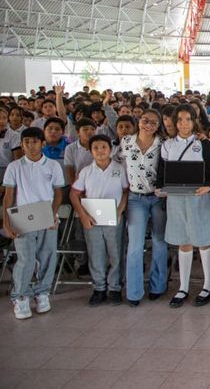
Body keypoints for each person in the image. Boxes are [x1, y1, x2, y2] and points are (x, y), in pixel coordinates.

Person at [158, 104, 210, 308]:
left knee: (203, 240)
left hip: (199, 198)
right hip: (176, 198)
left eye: (188, 119)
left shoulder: (203, 143)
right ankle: (183, 287)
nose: (184, 124)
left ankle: (208, 286)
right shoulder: (167, 145)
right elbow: (162, 172)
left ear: (194, 121)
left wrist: (208, 187)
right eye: (180, 120)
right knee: (183, 241)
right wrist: (161, 188)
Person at [3, 127, 64, 319]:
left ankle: (42, 292)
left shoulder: (53, 165)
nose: (31, 145)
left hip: (47, 215)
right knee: (26, 259)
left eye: (35, 142)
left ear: (42, 144)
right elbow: (8, 196)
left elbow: (58, 193)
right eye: (26, 142)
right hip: (23, 217)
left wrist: (52, 214)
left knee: (48, 256)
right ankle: (20, 296)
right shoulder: (14, 167)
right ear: (22, 145)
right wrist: (7, 222)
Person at [69, 134, 128, 306]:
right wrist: (83, 216)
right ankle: (99, 288)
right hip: (92, 219)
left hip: (114, 218)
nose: (100, 151)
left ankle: (115, 288)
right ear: (90, 151)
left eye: (104, 147)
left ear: (110, 149)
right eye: (95, 148)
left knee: (116, 253)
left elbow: (126, 191)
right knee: (96, 254)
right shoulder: (86, 171)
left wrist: (120, 211)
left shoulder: (119, 169)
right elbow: (74, 194)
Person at [119, 109, 168, 306]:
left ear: (158, 126)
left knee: (159, 241)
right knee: (135, 245)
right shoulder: (126, 142)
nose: (148, 125)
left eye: (153, 123)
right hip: (135, 198)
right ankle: (134, 291)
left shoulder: (163, 144)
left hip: (158, 198)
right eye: (145, 120)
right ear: (139, 121)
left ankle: (158, 286)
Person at [64, 118, 96, 185]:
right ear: (78, 132)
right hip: (79, 183)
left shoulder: (100, 146)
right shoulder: (70, 148)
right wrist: (74, 187)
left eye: (93, 129)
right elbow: (69, 169)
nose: (90, 132)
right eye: (85, 129)